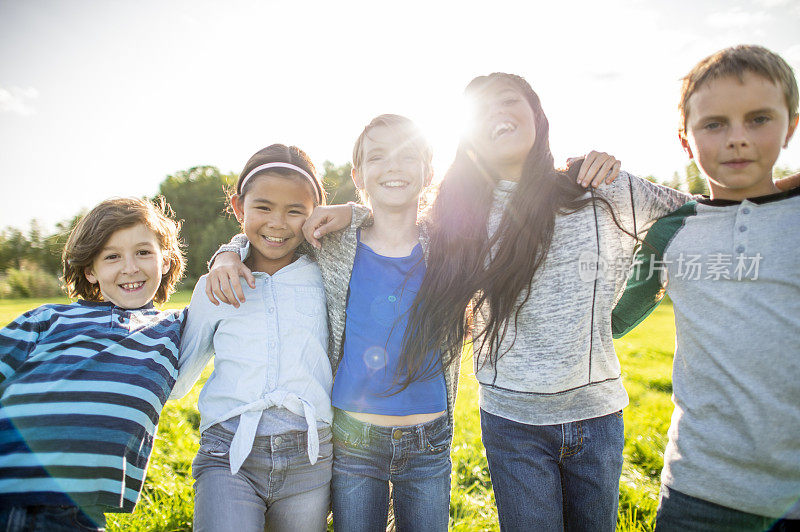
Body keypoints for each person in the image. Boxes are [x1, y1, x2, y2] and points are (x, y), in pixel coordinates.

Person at [208, 115, 621, 531]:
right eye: (378, 156)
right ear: (358, 174)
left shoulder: (451, 244)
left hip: (429, 441)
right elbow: (269, 239)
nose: (392, 166)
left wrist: (575, 171)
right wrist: (228, 253)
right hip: (354, 442)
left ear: (427, 173)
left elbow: (520, 206)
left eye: (407, 156)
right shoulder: (331, 244)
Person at [399, 73, 694, 532]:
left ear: (536, 115)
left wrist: (636, 297)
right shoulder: (456, 215)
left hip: (597, 416)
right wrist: (343, 213)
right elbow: (387, 226)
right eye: (480, 110)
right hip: (511, 421)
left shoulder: (600, 187)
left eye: (508, 100)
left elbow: (691, 212)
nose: (496, 113)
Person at [612, 44, 800, 531]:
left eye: (759, 119)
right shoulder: (672, 227)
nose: (737, 139)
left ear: (792, 126)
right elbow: (615, 316)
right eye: (714, 124)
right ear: (685, 140)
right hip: (699, 490)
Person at [172, 144, 333, 532]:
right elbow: (177, 380)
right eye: (263, 207)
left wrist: (227, 250)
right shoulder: (216, 285)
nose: (277, 223)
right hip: (229, 453)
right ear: (239, 208)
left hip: (310, 459)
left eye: (295, 211)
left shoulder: (327, 276)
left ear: (315, 216)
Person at [0, 197, 186, 531]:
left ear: (167, 261)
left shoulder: (174, 327)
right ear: (90, 270)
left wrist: (230, 254)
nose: (129, 267)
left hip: (74, 512)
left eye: (143, 252)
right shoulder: (48, 318)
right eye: (112, 256)